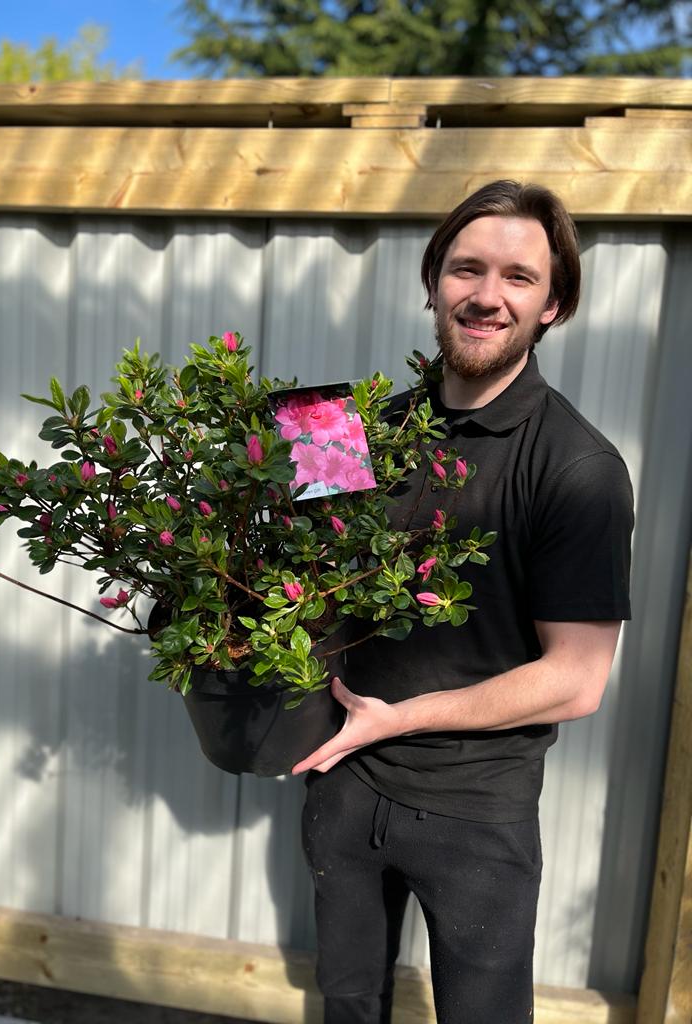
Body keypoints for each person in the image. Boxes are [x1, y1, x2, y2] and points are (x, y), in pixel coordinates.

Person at [291, 180, 634, 1024]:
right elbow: (294, 585)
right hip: (343, 784)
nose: (486, 296)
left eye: (518, 277)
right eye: (466, 270)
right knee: (345, 1004)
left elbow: (577, 681)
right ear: (433, 283)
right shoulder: (356, 429)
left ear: (555, 304)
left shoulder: (578, 468)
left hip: (476, 813)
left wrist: (398, 718)